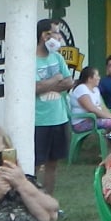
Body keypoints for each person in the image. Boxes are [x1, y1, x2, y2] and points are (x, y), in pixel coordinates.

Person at [33, 19, 75, 195]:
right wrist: (55, 79)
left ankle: (48, 201)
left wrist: (48, 85)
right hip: (39, 121)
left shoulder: (57, 57)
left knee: (52, 164)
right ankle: (30, 201)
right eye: (56, 33)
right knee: (35, 165)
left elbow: (69, 81)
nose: (59, 38)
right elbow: (35, 88)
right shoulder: (30, 60)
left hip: (59, 118)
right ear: (45, 36)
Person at [68, 66, 111, 134]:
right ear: (89, 79)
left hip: (94, 120)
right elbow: (91, 109)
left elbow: (103, 107)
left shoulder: (96, 89)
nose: (99, 78)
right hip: (81, 123)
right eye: (97, 76)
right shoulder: (81, 88)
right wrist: (108, 117)